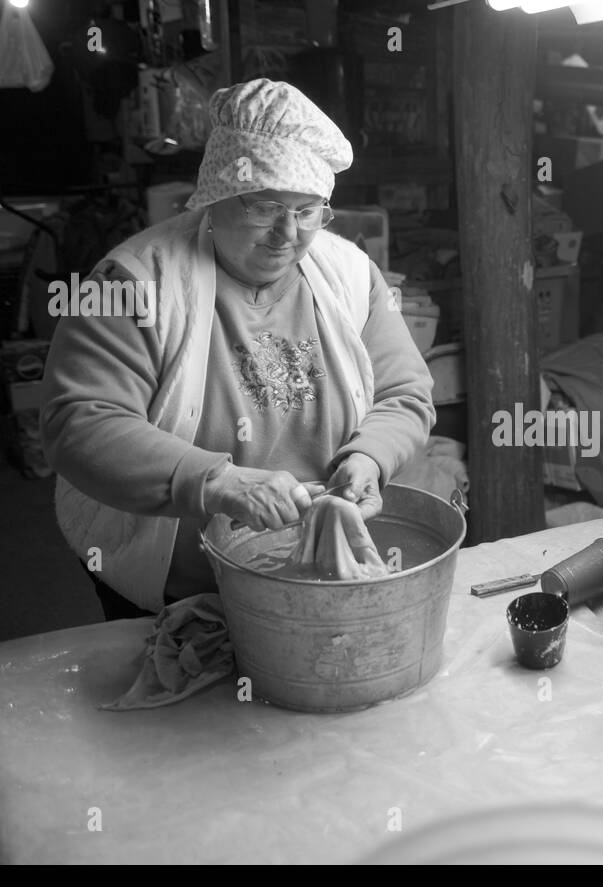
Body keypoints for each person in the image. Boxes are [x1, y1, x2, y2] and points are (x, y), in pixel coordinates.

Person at [40, 79, 435, 619]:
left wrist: (371, 455)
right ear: (216, 195)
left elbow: (405, 393)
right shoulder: (132, 284)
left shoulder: (349, 273)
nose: (287, 234)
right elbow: (79, 423)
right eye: (265, 206)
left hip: (317, 571)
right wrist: (218, 483)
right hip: (177, 582)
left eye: (308, 210)